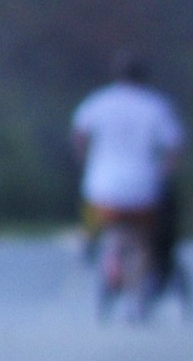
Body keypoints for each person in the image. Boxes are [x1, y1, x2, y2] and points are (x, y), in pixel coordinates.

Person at [71, 52, 185, 317]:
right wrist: (163, 174)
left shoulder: (99, 101)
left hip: (102, 185)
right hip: (143, 187)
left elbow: (79, 133)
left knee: (108, 226)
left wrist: (86, 162)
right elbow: (174, 146)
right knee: (142, 240)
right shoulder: (155, 105)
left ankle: (95, 248)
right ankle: (135, 301)